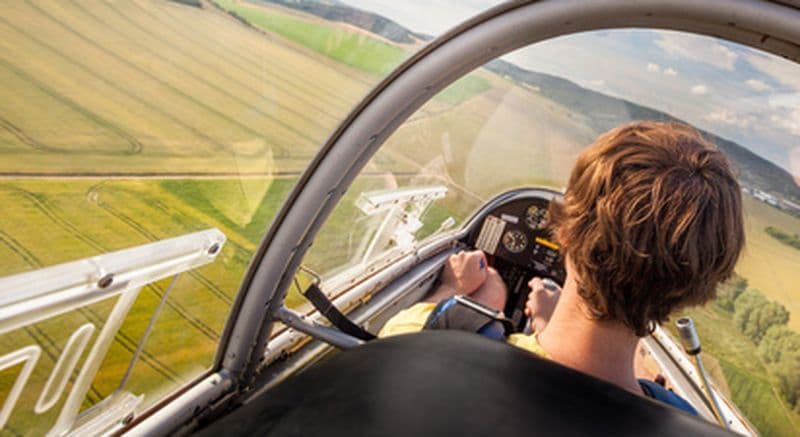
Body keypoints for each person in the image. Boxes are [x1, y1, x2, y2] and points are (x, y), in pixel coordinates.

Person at [379, 121, 745, 414]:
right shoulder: (681, 419)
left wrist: (455, 291)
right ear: (694, 289)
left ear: (565, 231)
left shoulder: (427, 335)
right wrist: (545, 323)